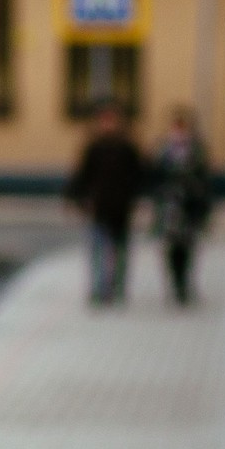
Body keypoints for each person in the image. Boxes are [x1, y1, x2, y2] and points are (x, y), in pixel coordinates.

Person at [71, 100, 145, 306]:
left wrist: (133, 198)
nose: (108, 125)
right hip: (99, 207)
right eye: (104, 120)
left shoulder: (127, 148)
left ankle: (118, 288)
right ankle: (98, 289)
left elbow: (139, 176)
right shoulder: (94, 147)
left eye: (111, 120)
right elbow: (82, 176)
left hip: (121, 209)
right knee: (97, 250)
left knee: (120, 251)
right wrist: (79, 199)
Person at [152, 105, 215, 306]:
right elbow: (154, 177)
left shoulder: (197, 150)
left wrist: (204, 206)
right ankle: (175, 284)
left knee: (188, 247)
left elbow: (206, 180)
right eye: (176, 127)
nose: (179, 132)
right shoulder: (163, 150)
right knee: (171, 248)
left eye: (182, 127)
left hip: (190, 207)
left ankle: (184, 284)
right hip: (170, 206)